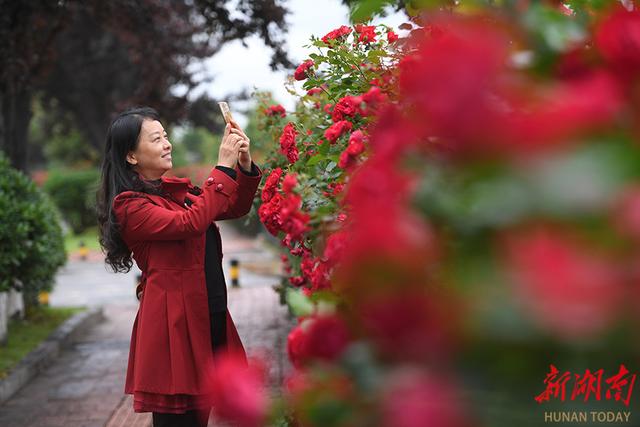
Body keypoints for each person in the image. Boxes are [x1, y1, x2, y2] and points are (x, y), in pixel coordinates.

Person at [96, 106, 262, 427]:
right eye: (157, 139)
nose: (167, 143)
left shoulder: (173, 193)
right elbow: (191, 224)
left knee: (201, 416)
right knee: (180, 421)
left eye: (166, 136)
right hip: (175, 325)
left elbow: (231, 206)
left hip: (207, 314)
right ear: (131, 156)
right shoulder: (130, 205)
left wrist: (242, 165)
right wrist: (221, 168)